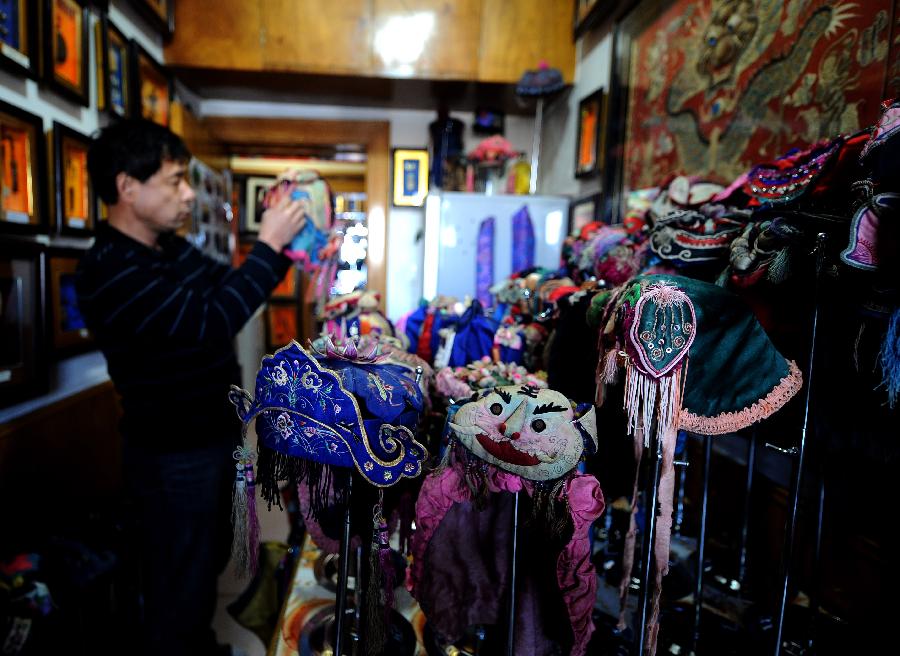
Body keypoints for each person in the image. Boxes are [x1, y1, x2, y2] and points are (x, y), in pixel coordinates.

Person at [76, 119, 306, 656]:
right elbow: (210, 320)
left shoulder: (166, 250)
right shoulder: (109, 268)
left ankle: (197, 643)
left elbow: (228, 287)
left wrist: (276, 232)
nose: (187, 194)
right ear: (127, 186)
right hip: (170, 457)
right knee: (177, 584)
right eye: (175, 180)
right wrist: (269, 242)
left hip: (207, 441)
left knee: (201, 568)